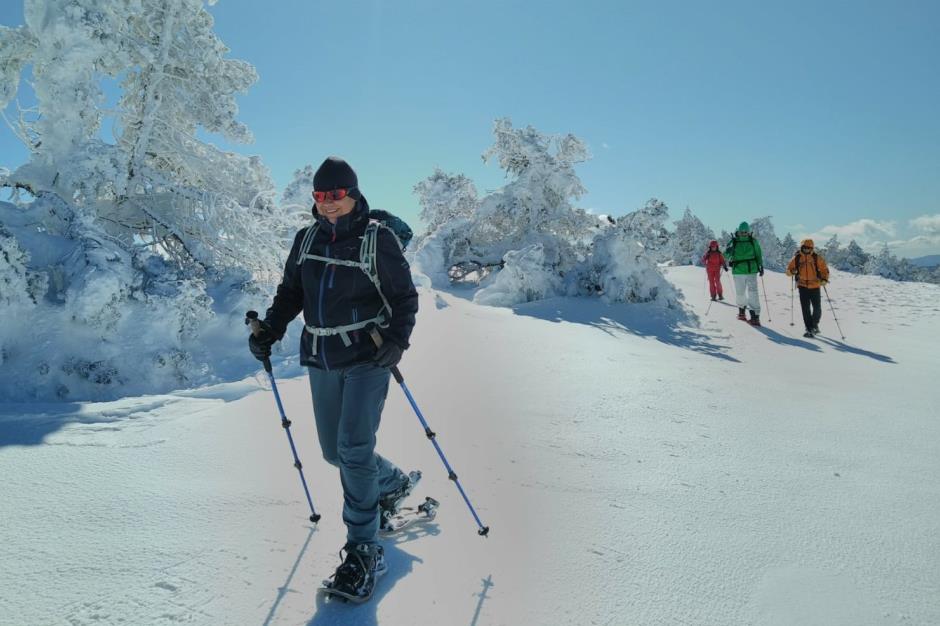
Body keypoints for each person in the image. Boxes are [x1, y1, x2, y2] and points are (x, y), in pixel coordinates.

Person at [247, 156, 420, 602]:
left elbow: (404, 298)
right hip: (322, 355)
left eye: (336, 194)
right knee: (332, 452)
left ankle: (364, 550)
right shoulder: (307, 239)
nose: (327, 202)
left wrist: (397, 341)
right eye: (320, 195)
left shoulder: (377, 239)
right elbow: (291, 292)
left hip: (368, 356)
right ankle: (392, 483)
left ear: (353, 193)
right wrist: (271, 328)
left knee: (353, 449)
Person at [786, 238, 830, 338]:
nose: (807, 249)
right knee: (805, 309)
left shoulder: (816, 257)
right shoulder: (797, 258)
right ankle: (809, 328)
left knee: (817, 308)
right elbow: (788, 271)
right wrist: (792, 271)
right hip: (802, 286)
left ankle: (814, 325)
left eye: (809, 248)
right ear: (802, 247)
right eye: (805, 247)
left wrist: (824, 279)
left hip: (815, 285)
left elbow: (824, 269)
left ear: (812, 248)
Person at [725, 222, 764, 326]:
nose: (743, 233)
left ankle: (755, 317)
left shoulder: (753, 241)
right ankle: (742, 312)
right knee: (740, 292)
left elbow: (758, 254)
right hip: (738, 271)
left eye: (745, 232)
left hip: (751, 270)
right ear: (738, 231)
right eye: (742, 232)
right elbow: (725, 255)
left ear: (748, 232)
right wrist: (728, 251)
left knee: (753, 293)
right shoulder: (734, 241)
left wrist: (760, 265)